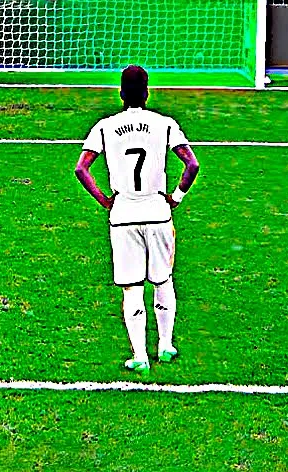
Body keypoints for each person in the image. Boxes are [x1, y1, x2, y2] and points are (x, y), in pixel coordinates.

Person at [74, 65, 200, 376]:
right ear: (146, 93)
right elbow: (192, 164)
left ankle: (140, 356)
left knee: (131, 288)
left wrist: (105, 200)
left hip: (123, 217)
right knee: (163, 280)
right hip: (158, 213)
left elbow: (81, 169)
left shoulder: (104, 127)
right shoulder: (165, 124)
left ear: (120, 93)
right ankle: (166, 345)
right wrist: (176, 197)